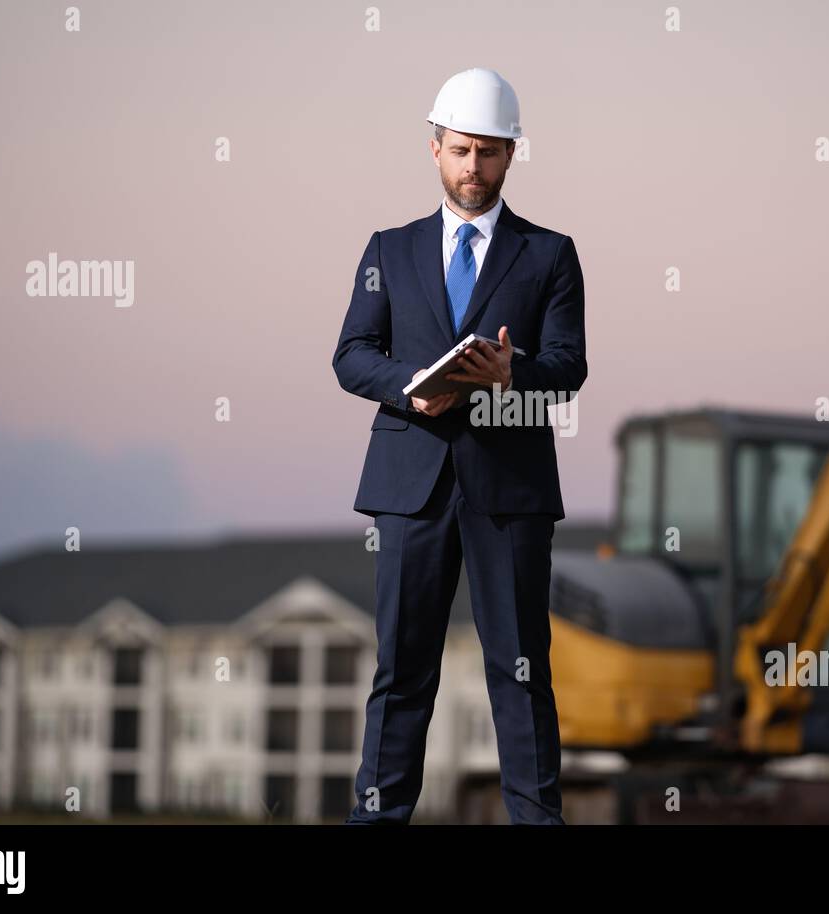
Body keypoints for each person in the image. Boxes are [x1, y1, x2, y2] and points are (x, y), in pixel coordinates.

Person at [333, 67, 586, 824]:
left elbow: (568, 369)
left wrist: (517, 374)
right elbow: (351, 353)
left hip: (509, 492)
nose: (474, 168)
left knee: (519, 672)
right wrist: (410, 386)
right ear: (435, 147)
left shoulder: (551, 255)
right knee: (401, 672)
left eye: (490, 153)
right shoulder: (390, 248)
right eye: (461, 151)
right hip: (410, 485)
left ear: (512, 154)